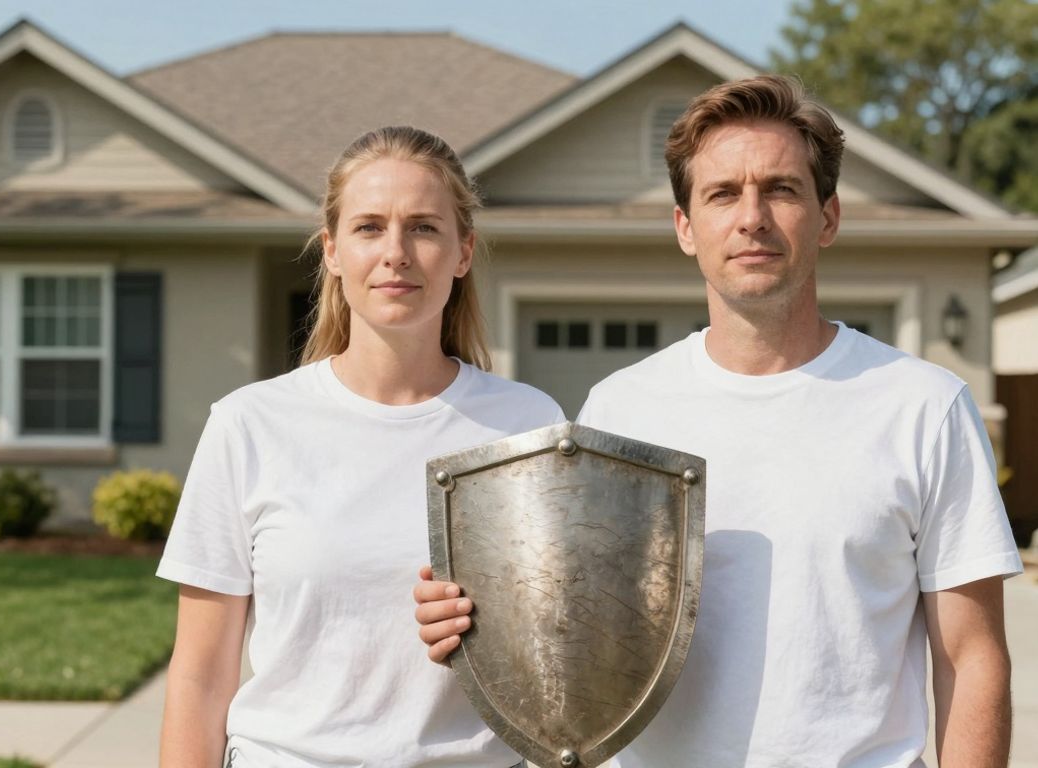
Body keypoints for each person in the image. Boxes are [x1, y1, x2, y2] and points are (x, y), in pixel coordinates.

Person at [415, 75, 1022, 767]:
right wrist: (475, 615)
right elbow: (569, 628)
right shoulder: (622, 408)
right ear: (685, 227)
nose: (752, 217)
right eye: (723, 193)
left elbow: (973, 659)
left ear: (828, 217)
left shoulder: (922, 406)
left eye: (782, 189)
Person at [157, 125, 565, 767]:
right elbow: (200, 678)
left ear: (463, 252)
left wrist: (493, 622)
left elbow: (567, 654)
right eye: (370, 227)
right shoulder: (249, 424)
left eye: (424, 228)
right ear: (333, 251)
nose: (396, 252)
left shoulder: (528, 425)